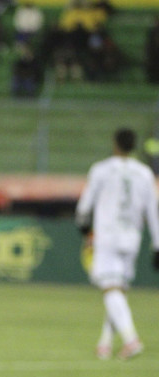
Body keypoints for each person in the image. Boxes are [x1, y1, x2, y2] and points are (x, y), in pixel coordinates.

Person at [75, 127, 159, 360]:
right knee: (117, 290)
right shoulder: (144, 173)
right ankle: (105, 344)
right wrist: (157, 244)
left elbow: (85, 204)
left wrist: (83, 226)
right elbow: (153, 210)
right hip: (132, 237)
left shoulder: (101, 170)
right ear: (134, 146)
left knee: (110, 289)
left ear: (115, 144)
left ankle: (131, 340)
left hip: (108, 235)